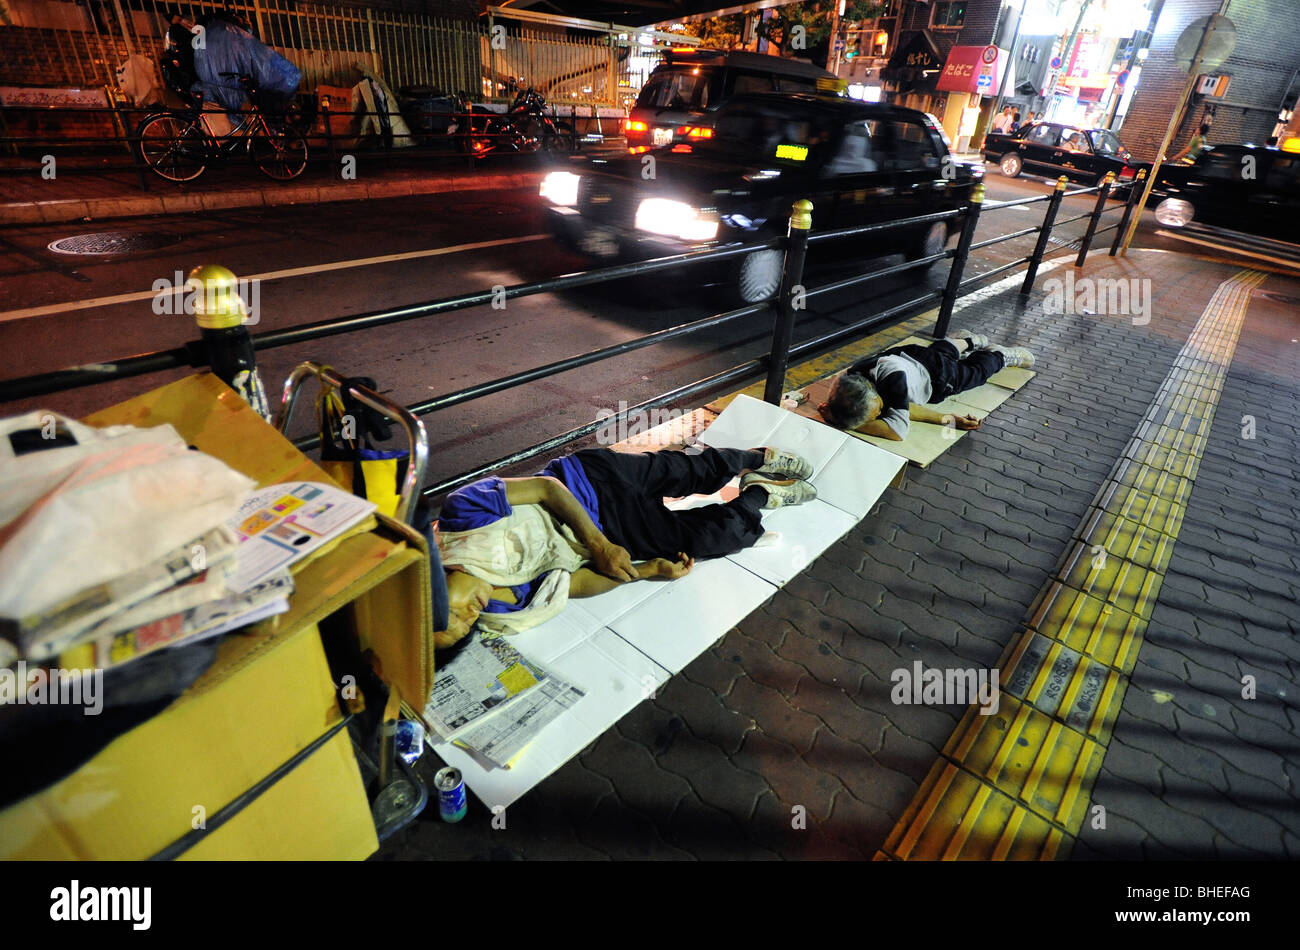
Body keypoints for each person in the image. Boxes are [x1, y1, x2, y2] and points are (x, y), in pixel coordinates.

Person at [433, 445, 817, 645]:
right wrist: (648, 571)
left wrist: (598, 545)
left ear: (428, 590)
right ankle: (760, 494)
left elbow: (546, 488)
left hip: (586, 478)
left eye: (455, 616)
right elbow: (573, 583)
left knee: (687, 471)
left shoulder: (459, 518)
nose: (471, 617)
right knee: (716, 537)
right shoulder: (502, 607)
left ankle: (756, 458)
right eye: (466, 629)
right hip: (617, 532)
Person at [816, 331, 1035, 441]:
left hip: (938, 378)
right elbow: (897, 412)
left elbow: (897, 431)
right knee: (941, 352)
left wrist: (842, 421)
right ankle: (968, 340)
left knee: (973, 374)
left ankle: (1000, 355)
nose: (882, 413)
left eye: (878, 411)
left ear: (875, 392)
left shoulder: (894, 381)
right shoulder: (847, 379)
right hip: (912, 354)